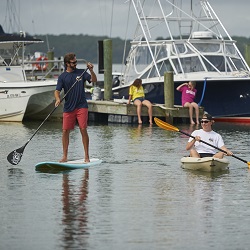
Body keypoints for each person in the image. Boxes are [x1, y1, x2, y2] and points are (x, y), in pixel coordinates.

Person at [54, 53, 97, 162]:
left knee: (83, 129)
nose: (75, 64)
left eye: (76, 62)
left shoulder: (81, 72)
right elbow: (57, 91)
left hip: (81, 106)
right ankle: (64, 156)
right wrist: (58, 99)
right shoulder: (62, 76)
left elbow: (94, 80)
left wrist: (91, 71)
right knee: (65, 131)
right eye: (73, 62)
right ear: (67, 63)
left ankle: (87, 156)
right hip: (69, 107)